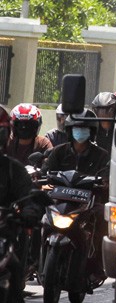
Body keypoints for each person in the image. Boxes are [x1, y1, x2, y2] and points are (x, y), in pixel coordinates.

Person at [43, 109, 110, 284]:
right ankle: (33, 260)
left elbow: (107, 179)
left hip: (87, 204)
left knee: (103, 216)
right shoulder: (58, 152)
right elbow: (44, 173)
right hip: (59, 201)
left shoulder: (101, 155)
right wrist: (39, 178)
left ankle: (96, 265)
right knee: (36, 216)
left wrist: (105, 184)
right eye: (76, 128)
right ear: (69, 130)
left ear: (91, 131)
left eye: (84, 128)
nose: (80, 132)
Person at [0, 105, 43, 303]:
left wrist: (30, 212)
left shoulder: (12, 169)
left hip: (3, 235)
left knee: (15, 269)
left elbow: (30, 195)